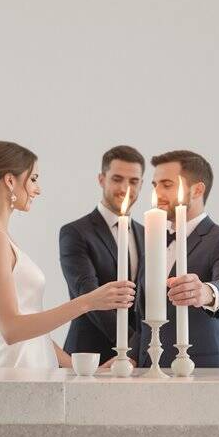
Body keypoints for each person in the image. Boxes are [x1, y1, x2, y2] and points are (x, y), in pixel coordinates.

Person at [0, 141, 135, 368]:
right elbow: (11, 329)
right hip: (12, 370)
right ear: (10, 181)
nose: (37, 189)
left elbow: (33, 331)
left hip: (27, 367)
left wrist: (82, 368)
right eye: (33, 179)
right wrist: (88, 302)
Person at [140, 150, 219, 368]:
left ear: (197, 190)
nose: (157, 192)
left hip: (202, 370)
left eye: (167, 185)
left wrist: (206, 292)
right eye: (155, 185)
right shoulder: (153, 240)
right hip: (147, 370)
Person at [59, 146, 147, 366]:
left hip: (139, 358)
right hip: (89, 356)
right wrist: (133, 347)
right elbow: (88, 293)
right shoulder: (75, 232)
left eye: (133, 181)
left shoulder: (148, 234)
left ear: (142, 184)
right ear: (101, 179)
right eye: (117, 179)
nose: (125, 188)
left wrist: (141, 350)